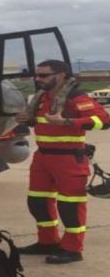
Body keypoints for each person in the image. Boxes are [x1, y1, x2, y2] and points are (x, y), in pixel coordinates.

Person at [15, 60, 109, 264]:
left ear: (62, 75)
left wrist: (68, 122)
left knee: (70, 205)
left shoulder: (76, 97)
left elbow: (104, 120)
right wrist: (27, 119)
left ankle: (72, 248)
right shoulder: (41, 98)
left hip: (68, 158)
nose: (38, 79)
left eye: (44, 75)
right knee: (37, 202)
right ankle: (47, 241)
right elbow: (42, 122)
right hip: (43, 158)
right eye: (37, 75)